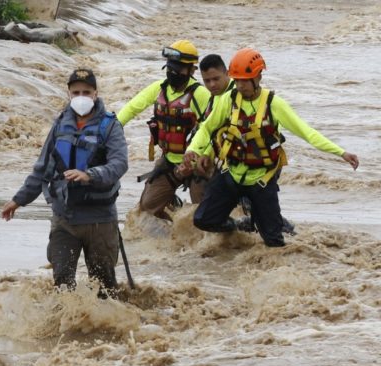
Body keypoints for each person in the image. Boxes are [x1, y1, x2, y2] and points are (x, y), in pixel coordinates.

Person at [184, 48, 359, 247]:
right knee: (203, 220)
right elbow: (207, 128)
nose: (240, 85)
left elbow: (307, 132)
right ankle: (240, 228)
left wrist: (341, 153)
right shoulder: (228, 100)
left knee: (274, 243)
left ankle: (271, 227)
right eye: (237, 80)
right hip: (231, 175)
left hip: (261, 181)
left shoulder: (274, 104)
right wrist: (194, 150)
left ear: (258, 76)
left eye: (245, 80)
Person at [1, 69, 128, 294]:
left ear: (96, 94)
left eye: (86, 92)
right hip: (65, 218)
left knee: (104, 287)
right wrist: (18, 200)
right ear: (69, 94)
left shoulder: (110, 126)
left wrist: (90, 174)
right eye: (76, 92)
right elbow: (42, 169)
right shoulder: (60, 125)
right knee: (61, 281)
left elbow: (119, 164)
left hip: (100, 220)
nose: (81, 96)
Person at [198, 52, 296, 235]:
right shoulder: (219, 99)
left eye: (215, 79)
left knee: (256, 210)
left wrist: (340, 153)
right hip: (230, 162)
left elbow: (283, 135)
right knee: (205, 211)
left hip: (260, 164)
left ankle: (282, 232)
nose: (211, 85)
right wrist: (198, 153)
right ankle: (238, 232)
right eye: (207, 81)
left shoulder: (260, 102)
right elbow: (210, 131)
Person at [117, 40, 213, 220]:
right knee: (146, 210)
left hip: (198, 162)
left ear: (191, 70)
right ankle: (172, 213)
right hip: (169, 161)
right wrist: (112, 128)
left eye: (179, 69)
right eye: (170, 67)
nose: (173, 72)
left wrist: (196, 160)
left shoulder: (200, 94)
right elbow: (131, 108)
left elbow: (213, 130)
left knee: (204, 213)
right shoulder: (159, 88)